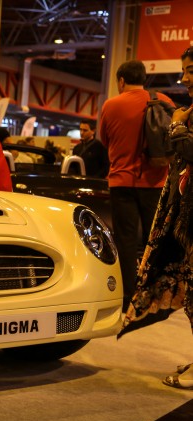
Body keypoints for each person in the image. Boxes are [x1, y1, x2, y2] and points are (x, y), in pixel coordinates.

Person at [118, 47, 193, 390]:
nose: (185, 78)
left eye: (191, 70)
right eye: (184, 70)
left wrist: (178, 129)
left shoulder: (180, 113)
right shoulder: (177, 105)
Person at [99, 60, 174, 312]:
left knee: (126, 241)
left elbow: (104, 139)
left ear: (121, 81)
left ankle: (127, 297)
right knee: (156, 240)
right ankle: (157, 296)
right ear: (144, 78)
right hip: (155, 182)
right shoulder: (162, 100)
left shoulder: (111, 105)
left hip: (122, 182)